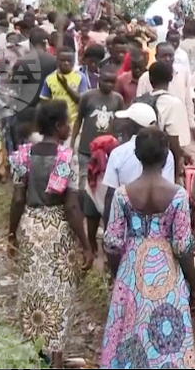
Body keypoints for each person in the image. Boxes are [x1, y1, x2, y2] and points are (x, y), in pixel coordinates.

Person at [100, 127, 195, 369]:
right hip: (167, 275)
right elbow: (183, 246)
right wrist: (194, 285)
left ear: (137, 155)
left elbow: (112, 243)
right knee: (168, 338)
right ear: (166, 155)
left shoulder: (122, 195)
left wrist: (119, 276)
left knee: (129, 334)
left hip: (131, 271)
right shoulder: (178, 196)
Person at [8, 101, 93, 369]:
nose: (69, 128)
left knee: (32, 291)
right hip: (58, 230)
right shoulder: (66, 158)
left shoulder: (22, 156)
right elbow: (71, 206)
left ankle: (36, 355)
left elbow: (18, 199)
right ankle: (56, 360)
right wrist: (86, 245)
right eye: (67, 123)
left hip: (31, 226)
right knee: (59, 294)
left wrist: (11, 234)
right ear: (59, 126)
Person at [71, 66, 125, 253]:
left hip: (108, 154)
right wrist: (72, 142)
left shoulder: (118, 99)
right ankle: (84, 230)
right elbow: (79, 120)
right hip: (87, 151)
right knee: (85, 188)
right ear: (99, 80)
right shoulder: (87, 97)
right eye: (105, 81)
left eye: (112, 81)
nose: (109, 85)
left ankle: (102, 228)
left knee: (104, 189)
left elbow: (120, 123)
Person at [102, 103, 179, 228]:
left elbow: (110, 196)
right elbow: (167, 193)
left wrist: (108, 229)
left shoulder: (118, 154)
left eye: (127, 122)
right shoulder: (166, 153)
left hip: (126, 227)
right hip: (158, 229)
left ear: (133, 126)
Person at [136, 42, 195, 142]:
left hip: (180, 127)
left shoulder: (183, 73)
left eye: (170, 55)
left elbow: (188, 101)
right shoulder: (146, 77)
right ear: (156, 57)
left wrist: (192, 123)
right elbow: (140, 104)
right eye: (164, 56)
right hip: (156, 130)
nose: (168, 59)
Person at [137, 61, 193, 168]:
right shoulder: (174, 103)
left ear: (150, 79)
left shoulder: (140, 100)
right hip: (162, 161)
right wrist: (176, 169)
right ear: (171, 78)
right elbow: (174, 140)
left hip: (141, 158)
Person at [8, 28, 57, 113]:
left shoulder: (21, 61)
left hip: (26, 106)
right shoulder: (53, 61)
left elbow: (14, 87)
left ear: (30, 43)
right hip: (47, 107)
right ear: (45, 43)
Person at [40, 47, 89, 129]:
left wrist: (67, 87)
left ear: (73, 61)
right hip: (56, 124)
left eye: (69, 60)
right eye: (63, 60)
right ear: (57, 61)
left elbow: (82, 101)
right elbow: (44, 102)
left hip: (74, 124)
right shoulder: (50, 78)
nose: (66, 63)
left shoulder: (80, 77)